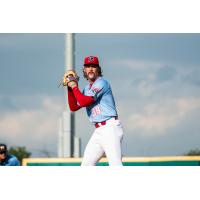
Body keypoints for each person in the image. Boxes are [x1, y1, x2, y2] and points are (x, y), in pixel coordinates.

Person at [65, 56, 124, 166]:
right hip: (99, 130)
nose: (91, 69)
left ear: (98, 69)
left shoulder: (102, 82)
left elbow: (84, 102)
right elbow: (73, 107)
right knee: (86, 166)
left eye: (93, 66)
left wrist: (74, 87)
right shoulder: (87, 89)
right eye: (88, 66)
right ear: (84, 70)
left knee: (115, 165)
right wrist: (70, 88)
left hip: (110, 128)